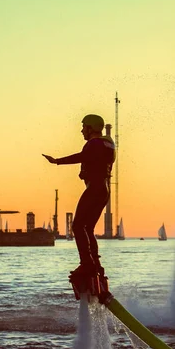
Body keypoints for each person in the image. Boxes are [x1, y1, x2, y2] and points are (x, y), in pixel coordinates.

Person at [43, 114, 115, 279]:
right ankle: (96, 264)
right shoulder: (108, 144)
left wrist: (57, 161)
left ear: (91, 128)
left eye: (84, 127)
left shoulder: (93, 143)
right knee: (88, 228)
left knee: (77, 226)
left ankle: (87, 264)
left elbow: (81, 157)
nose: (81, 130)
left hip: (95, 189)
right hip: (104, 191)